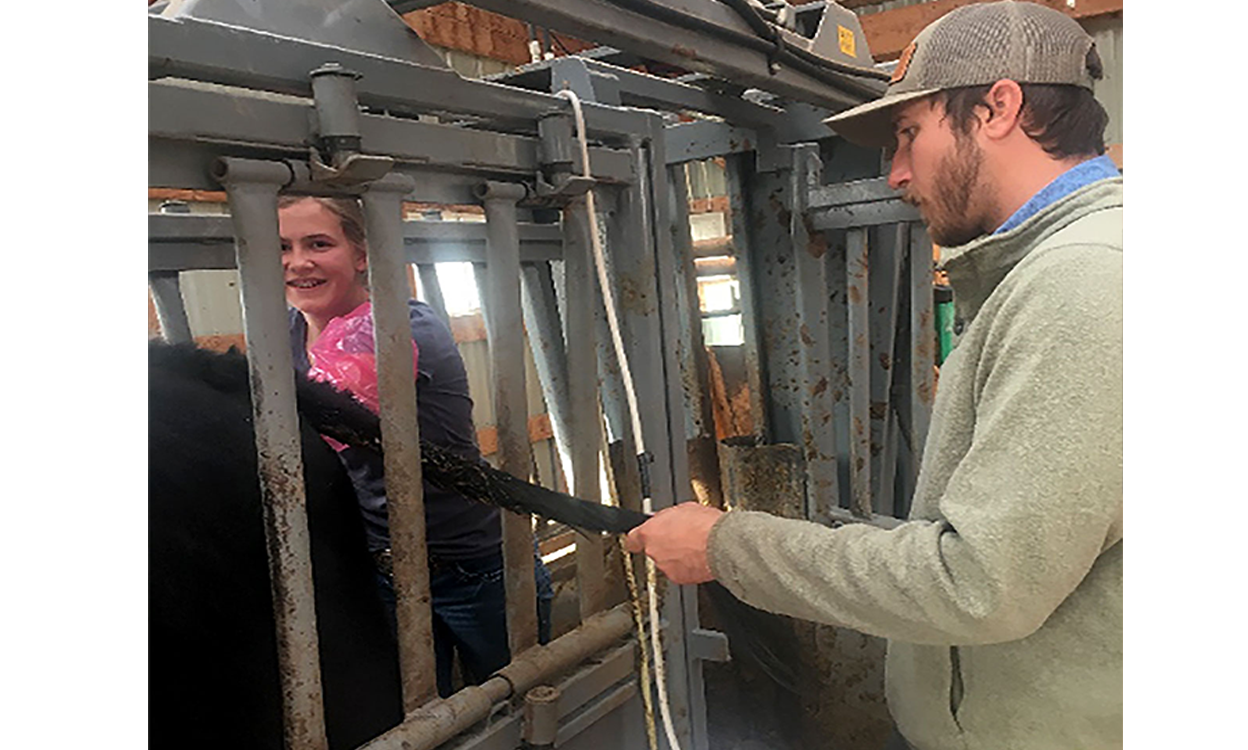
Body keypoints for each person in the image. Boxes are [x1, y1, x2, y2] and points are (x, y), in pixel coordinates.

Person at [624, 3, 1122, 749]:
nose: (894, 173)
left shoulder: (1080, 282)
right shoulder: (1064, 269)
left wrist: (728, 546)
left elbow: (980, 586)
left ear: (998, 108)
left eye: (908, 134)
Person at [278, 194, 554, 698]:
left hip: (477, 567)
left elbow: (316, 420)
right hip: (383, 571)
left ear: (361, 254)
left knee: (520, 712)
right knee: (420, 721)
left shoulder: (399, 327)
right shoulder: (287, 334)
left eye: (318, 244)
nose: (298, 262)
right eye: (282, 247)